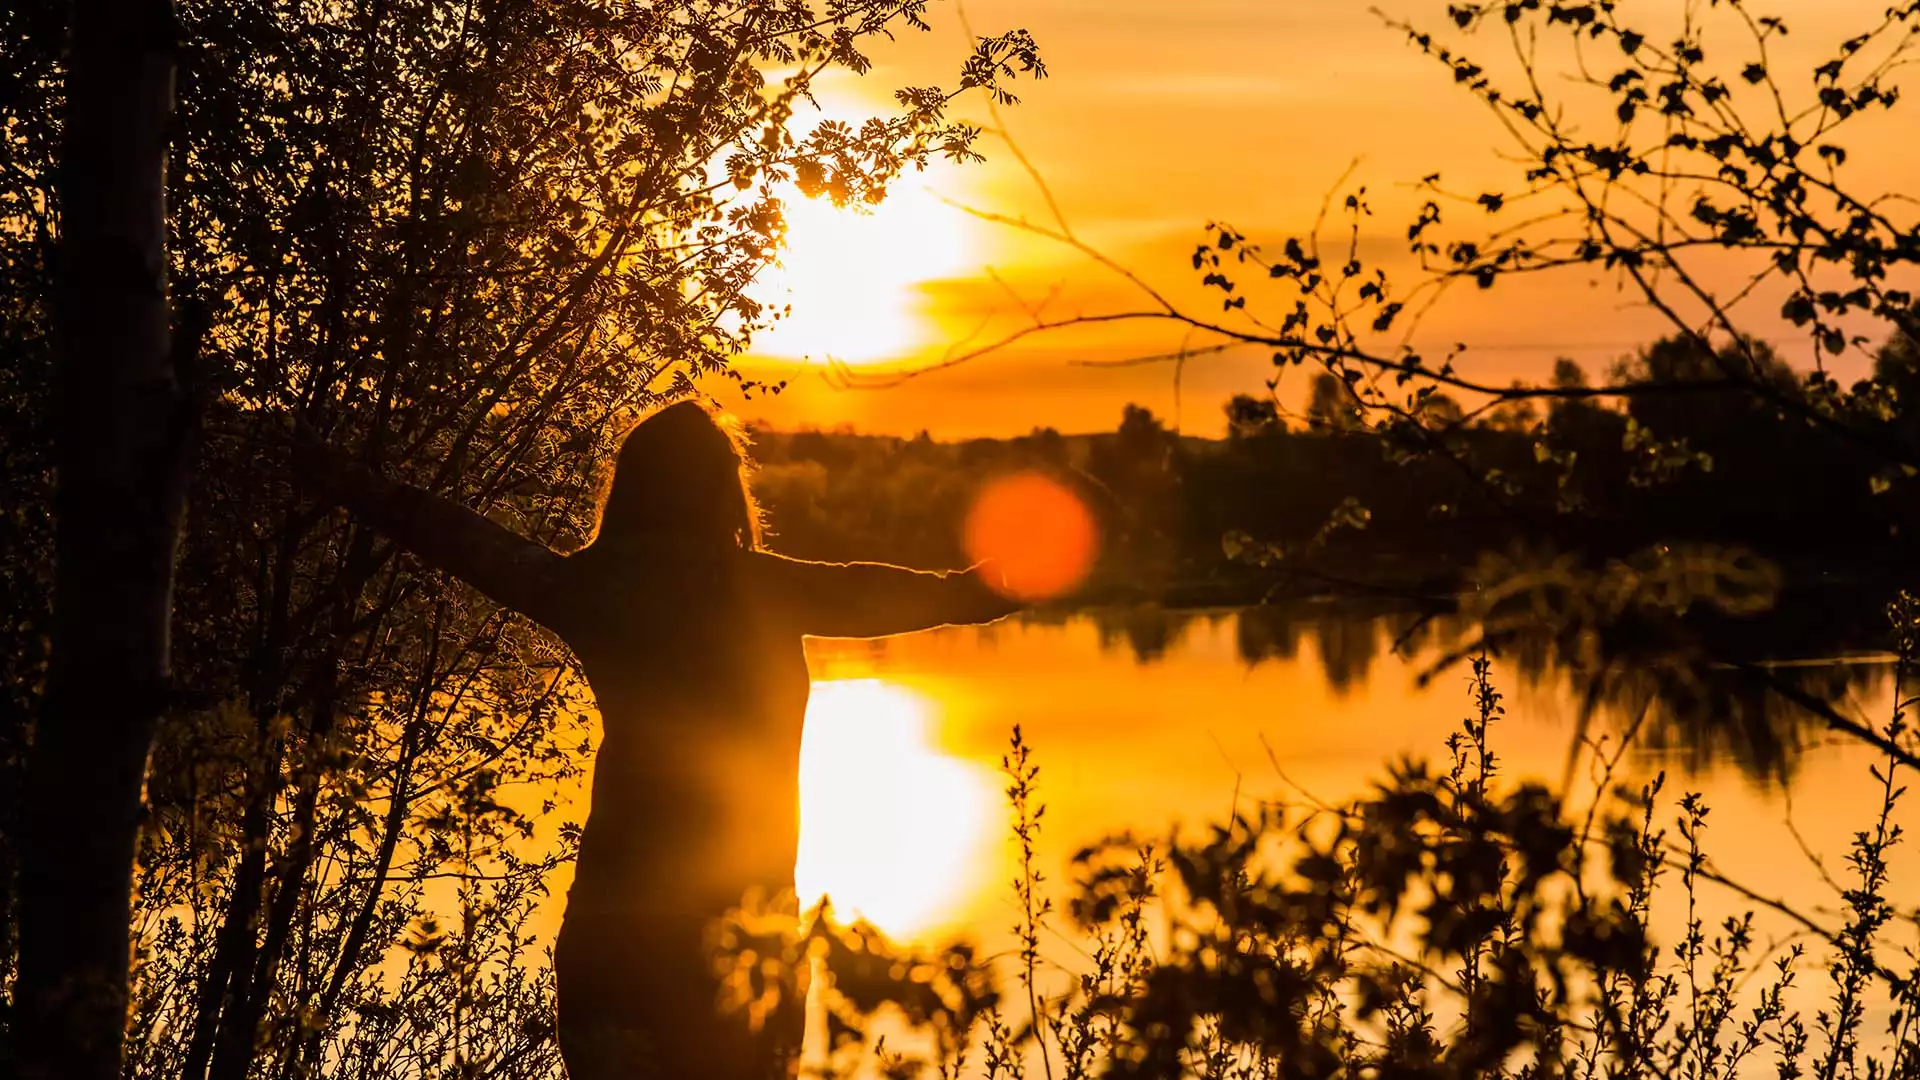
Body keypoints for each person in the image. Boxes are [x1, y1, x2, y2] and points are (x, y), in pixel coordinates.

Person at [295, 401, 1020, 1080]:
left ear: (631, 489)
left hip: (614, 926)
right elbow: (884, 591)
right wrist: (976, 589)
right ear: (720, 492)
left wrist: (348, 482)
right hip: (739, 936)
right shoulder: (762, 587)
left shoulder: (590, 587)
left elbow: (465, 541)